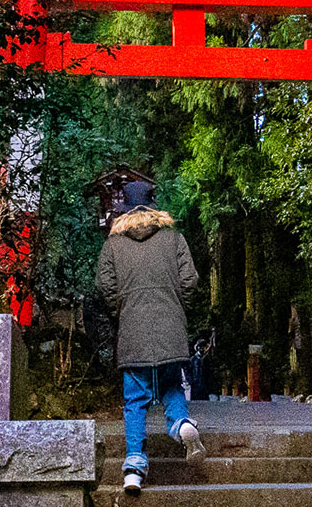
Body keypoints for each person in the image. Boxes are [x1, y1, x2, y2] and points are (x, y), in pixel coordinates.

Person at [96, 179, 205, 495]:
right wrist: (175, 306)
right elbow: (190, 279)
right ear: (153, 207)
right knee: (170, 384)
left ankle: (133, 467)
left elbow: (105, 286)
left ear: (125, 209)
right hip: (170, 327)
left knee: (135, 400)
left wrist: (124, 310)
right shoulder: (173, 239)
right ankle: (182, 423)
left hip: (133, 330)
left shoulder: (114, 244)